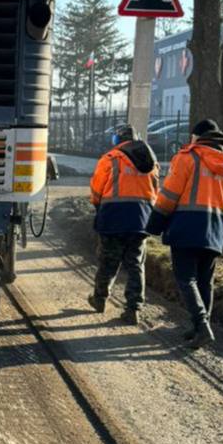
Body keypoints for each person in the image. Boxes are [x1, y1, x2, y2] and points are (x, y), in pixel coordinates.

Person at [146, 118, 223, 349]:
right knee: (205, 280)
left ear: (196, 138)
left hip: (187, 225)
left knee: (185, 278)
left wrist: (155, 224)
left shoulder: (188, 158)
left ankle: (202, 325)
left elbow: (169, 194)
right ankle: (199, 328)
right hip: (216, 227)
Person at [87, 124, 159, 325]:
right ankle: (133, 309)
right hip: (141, 219)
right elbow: (156, 191)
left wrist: (97, 207)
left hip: (113, 217)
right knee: (135, 264)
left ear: (118, 140)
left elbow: (96, 189)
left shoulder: (110, 159)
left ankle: (100, 299)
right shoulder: (151, 162)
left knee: (108, 261)